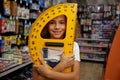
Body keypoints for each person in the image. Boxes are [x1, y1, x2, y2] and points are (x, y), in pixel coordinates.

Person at [32, 15, 80, 80]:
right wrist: (61, 66)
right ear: (46, 25)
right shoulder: (39, 45)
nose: (57, 27)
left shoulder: (74, 46)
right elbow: (36, 78)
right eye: (52, 23)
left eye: (61, 23)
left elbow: (75, 77)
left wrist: (47, 73)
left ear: (68, 25)